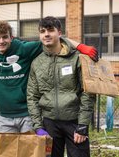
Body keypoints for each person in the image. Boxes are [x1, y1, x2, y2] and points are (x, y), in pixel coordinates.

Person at [0, 20, 97, 134]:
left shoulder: (25, 48)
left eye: (5, 37)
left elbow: (57, 40)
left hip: (27, 114)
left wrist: (80, 46)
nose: (1, 41)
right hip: (4, 116)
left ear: (11, 37)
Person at [27, 16, 94, 157]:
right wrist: (38, 126)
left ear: (59, 32)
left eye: (50, 30)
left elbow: (87, 92)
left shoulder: (76, 58)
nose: (46, 34)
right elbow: (32, 96)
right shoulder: (37, 63)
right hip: (49, 124)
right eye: (42, 31)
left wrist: (83, 124)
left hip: (74, 122)